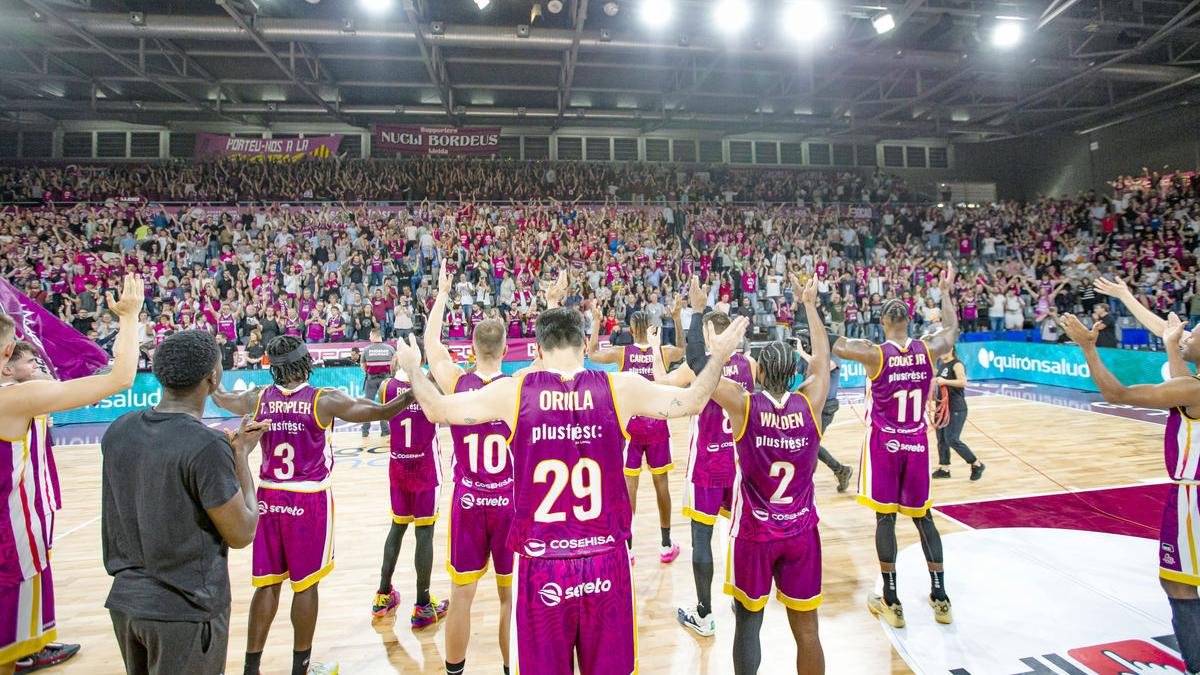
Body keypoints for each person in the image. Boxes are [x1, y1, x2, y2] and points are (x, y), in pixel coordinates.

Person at [392, 307, 749, 674]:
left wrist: (413, 367)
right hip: (606, 560)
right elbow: (693, 401)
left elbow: (436, 409)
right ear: (582, 345)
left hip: (542, 563)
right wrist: (719, 356)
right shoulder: (621, 387)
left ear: (538, 350)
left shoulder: (513, 391)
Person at [211, 335, 416, 675]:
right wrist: (411, 392)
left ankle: (251, 668)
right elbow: (380, 411)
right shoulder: (324, 399)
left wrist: (213, 369)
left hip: (267, 498)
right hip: (308, 499)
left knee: (267, 584)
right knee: (305, 585)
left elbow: (220, 396)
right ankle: (300, 668)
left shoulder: (258, 398)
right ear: (306, 362)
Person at [0, 274, 143, 675]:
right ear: (9, 350)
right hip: (11, 532)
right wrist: (129, 317)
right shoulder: (16, 398)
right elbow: (121, 379)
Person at [102, 330, 265, 675]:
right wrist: (241, 458)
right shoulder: (206, 445)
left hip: (126, 602)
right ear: (213, 378)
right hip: (185, 609)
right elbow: (242, 532)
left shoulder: (119, 429)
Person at [1059, 311, 1199, 675]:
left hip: (1192, 499)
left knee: (1180, 584)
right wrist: (1172, 346)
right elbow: (1182, 383)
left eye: (1195, 332)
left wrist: (1088, 347)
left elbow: (1116, 393)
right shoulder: (1192, 387)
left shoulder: (1195, 389)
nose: (1189, 334)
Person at [832, 263, 959, 628]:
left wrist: (827, 304)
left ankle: (891, 601)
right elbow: (952, 330)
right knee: (924, 518)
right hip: (917, 443)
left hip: (884, 445)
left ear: (883, 322)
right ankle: (940, 597)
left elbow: (837, 343)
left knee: (885, 519)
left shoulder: (875, 354)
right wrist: (945, 293)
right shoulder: (928, 348)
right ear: (910, 319)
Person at [712, 277, 828, 675]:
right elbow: (822, 357)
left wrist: (717, 349)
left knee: (748, 625)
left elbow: (707, 379)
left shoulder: (744, 406)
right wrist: (809, 304)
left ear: (759, 373)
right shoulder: (810, 402)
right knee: (808, 632)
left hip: (755, 533)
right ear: (796, 374)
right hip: (801, 531)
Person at [422, 266, 516, 675]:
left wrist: (443, 293)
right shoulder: (518, 387)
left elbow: (431, 344)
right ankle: (511, 668)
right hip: (508, 501)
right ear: (506, 348)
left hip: (469, 501)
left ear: (472, 347)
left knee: (461, 597)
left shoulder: (458, 382)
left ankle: (454, 671)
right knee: (509, 598)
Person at [652, 282, 756, 637]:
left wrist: (654, 349)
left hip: (707, 465)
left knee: (702, 537)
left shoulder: (699, 368)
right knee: (739, 533)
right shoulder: (749, 364)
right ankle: (742, 597)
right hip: (739, 464)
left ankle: (704, 614)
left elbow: (662, 381)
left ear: (710, 334)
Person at [0, 343, 79, 674]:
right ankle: (21, 649)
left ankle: (33, 639)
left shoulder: (27, 393)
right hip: (20, 503)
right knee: (22, 575)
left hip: (38, 495)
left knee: (38, 570)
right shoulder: (17, 399)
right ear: (7, 367)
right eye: (30, 362)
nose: (36, 367)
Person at [587, 307, 688, 563]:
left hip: (630, 426)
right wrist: (677, 319)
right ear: (651, 328)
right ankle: (665, 544)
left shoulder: (622, 353)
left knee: (629, 486)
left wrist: (597, 321)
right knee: (661, 484)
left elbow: (592, 353)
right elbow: (682, 349)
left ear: (631, 330)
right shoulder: (662, 351)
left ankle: (629, 548)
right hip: (657, 422)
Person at [370, 344, 449, 630]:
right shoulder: (431, 387)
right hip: (425, 469)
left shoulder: (386, 387)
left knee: (397, 527)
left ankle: (382, 594)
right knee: (424, 533)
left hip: (398, 467)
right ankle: (423, 605)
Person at [795, 331, 855, 492]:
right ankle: (839, 470)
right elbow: (795, 375)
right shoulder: (806, 356)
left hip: (826, 407)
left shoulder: (832, 354)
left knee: (809, 443)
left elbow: (822, 368)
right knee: (806, 443)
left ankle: (839, 470)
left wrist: (801, 353)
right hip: (809, 405)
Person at [930, 348, 985, 481]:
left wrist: (945, 381)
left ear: (951, 349)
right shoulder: (941, 364)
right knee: (941, 439)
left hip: (956, 408)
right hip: (942, 408)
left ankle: (976, 464)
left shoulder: (957, 364)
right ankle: (944, 469)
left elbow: (963, 382)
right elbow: (938, 377)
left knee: (952, 439)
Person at [360, 329, 395, 438]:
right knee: (384, 405)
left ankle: (365, 430)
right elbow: (395, 365)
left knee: (367, 405)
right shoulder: (390, 349)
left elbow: (363, 366)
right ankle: (385, 430)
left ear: (374, 336)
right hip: (386, 380)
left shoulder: (366, 350)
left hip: (371, 380)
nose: (369, 338)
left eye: (370, 336)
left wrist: (371, 371)